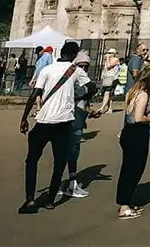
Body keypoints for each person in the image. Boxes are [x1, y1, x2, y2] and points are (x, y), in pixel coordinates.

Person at [18, 40, 94, 214]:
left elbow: (34, 94)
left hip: (43, 120)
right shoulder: (76, 70)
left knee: (31, 160)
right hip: (63, 122)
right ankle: (51, 200)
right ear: (74, 55)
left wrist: (24, 118)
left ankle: (30, 199)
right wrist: (78, 97)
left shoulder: (47, 69)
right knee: (59, 161)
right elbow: (92, 88)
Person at [113, 67, 150, 219]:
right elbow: (139, 118)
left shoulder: (131, 92)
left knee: (127, 168)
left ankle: (126, 202)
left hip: (128, 132)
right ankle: (124, 206)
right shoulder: (143, 94)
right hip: (137, 134)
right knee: (134, 169)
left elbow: (130, 115)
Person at [63, 51, 95, 199]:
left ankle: (69, 182)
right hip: (70, 117)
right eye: (80, 66)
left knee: (71, 150)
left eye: (86, 67)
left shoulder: (83, 78)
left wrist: (90, 112)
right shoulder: (73, 79)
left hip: (79, 115)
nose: (83, 69)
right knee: (71, 149)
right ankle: (70, 183)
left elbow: (85, 103)